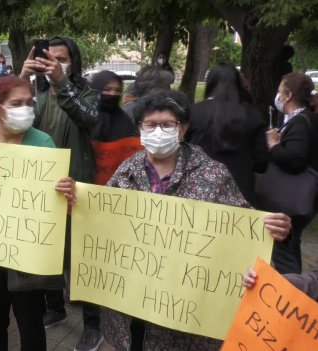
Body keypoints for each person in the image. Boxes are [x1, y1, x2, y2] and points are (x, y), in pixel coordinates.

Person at [102, 91, 291, 350]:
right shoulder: (127, 170)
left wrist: (273, 231)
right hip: (133, 307)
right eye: (150, 124)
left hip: (184, 315)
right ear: (140, 129)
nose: (158, 131)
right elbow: (104, 219)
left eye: (167, 124)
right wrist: (76, 202)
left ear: (183, 129)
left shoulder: (213, 174)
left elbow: (243, 232)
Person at [0, 75, 76, 351]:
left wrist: (67, 191)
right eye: (16, 103)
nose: (26, 108)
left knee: (30, 321)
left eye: (29, 102)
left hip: (27, 252)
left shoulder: (43, 143)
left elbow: (59, 201)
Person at [19, 36, 101, 351]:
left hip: (75, 187)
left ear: (72, 61)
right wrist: (23, 79)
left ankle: (93, 324)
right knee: (47, 254)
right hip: (40, 188)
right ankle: (54, 307)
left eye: (61, 58)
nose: (53, 62)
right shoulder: (33, 95)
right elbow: (7, 120)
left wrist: (61, 82)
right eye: (48, 57)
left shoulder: (85, 92)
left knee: (80, 258)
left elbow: (89, 119)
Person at [187, 64, 269, 206]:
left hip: (199, 188)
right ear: (238, 84)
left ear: (210, 83)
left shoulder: (194, 113)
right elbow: (262, 161)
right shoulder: (253, 115)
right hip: (242, 189)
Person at [265, 72, 318, 274]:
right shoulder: (301, 119)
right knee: (290, 243)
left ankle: (292, 291)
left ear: (288, 95)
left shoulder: (301, 121)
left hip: (294, 199)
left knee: (285, 246)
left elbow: (295, 159)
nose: (277, 96)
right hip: (299, 198)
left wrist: (273, 146)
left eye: (280, 91)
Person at [91, 70, 137, 141]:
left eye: (117, 90)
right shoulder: (84, 117)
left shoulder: (125, 121)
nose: (113, 94)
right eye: (107, 89)